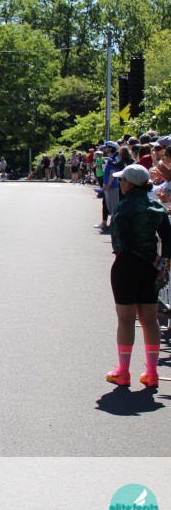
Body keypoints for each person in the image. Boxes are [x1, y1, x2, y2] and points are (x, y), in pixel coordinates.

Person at [105, 164, 170, 389]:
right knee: (150, 320)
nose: (120, 183)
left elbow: (124, 239)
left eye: (121, 180)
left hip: (126, 265)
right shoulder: (157, 206)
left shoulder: (123, 207)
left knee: (126, 319)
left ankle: (123, 371)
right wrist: (162, 261)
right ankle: (152, 372)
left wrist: (149, 257)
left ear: (129, 184)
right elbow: (168, 238)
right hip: (150, 268)